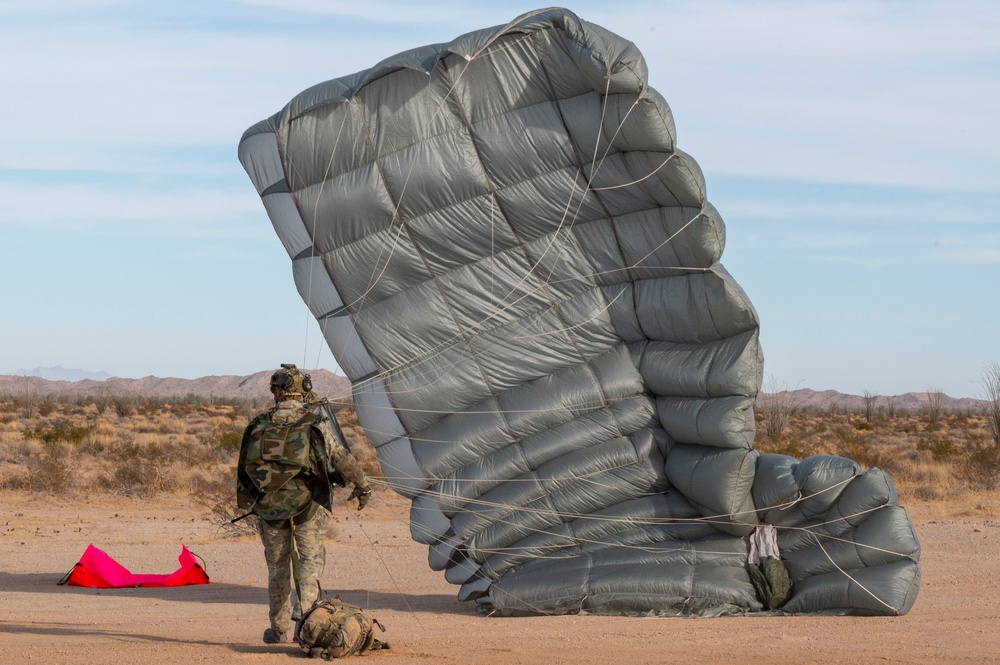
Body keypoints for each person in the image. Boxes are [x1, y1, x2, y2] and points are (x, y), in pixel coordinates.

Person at [236, 363, 372, 645]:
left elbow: (244, 471)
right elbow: (342, 459)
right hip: (308, 505)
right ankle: (309, 627)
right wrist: (362, 487)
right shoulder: (314, 424)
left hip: (269, 508)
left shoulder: (258, 425)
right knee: (310, 564)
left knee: (277, 568)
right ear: (303, 391)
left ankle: (279, 630)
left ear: (276, 391)